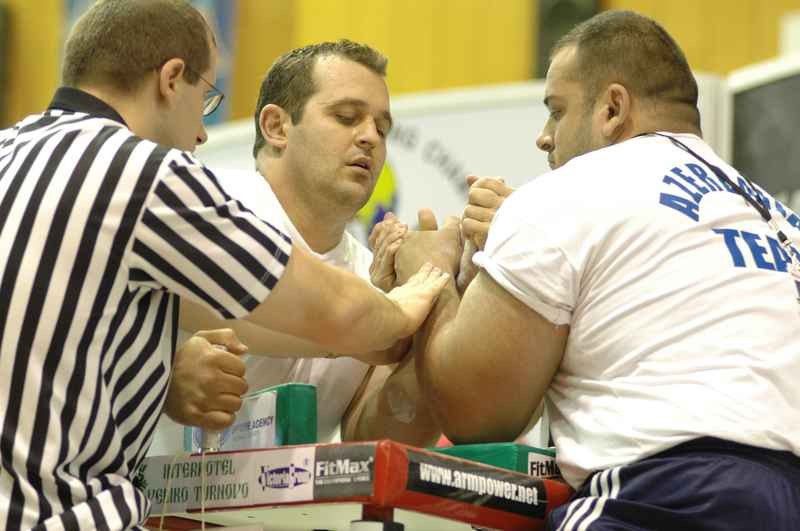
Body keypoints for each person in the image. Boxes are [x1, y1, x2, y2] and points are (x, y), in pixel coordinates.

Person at [0, 1, 448, 529]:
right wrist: (427, 287)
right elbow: (331, 311)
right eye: (205, 99)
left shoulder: (10, 149)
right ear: (171, 80)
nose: (203, 135)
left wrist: (371, 323)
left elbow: (256, 323)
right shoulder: (146, 174)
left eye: (382, 126)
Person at [392, 10, 800, 530]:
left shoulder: (568, 191)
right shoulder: (775, 216)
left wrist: (430, 275)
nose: (544, 137)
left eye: (556, 111)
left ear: (612, 108)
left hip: (663, 498)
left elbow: (477, 412)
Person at [165, 40, 444, 447]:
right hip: (146, 506)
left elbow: (369, 439)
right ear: (277, 126)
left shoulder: (371, 278)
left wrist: (431, 322)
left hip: (287, 512)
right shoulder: (202, 201)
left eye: (382, 128)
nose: (370, 137)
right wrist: (163, 381)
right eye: (346, 117)